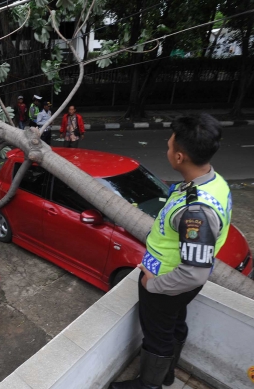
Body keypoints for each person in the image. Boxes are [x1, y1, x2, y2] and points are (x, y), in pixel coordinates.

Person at [109, 114, 232, 389]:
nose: (166, 149)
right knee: (173, 325)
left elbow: (194, 273)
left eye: (168, 146)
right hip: (175, 283)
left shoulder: (196, 212)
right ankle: (166, 373)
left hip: (167, 282)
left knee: (157, 334)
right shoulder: (215, 182)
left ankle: (148, 384)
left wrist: (155, 285)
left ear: (179, 157)